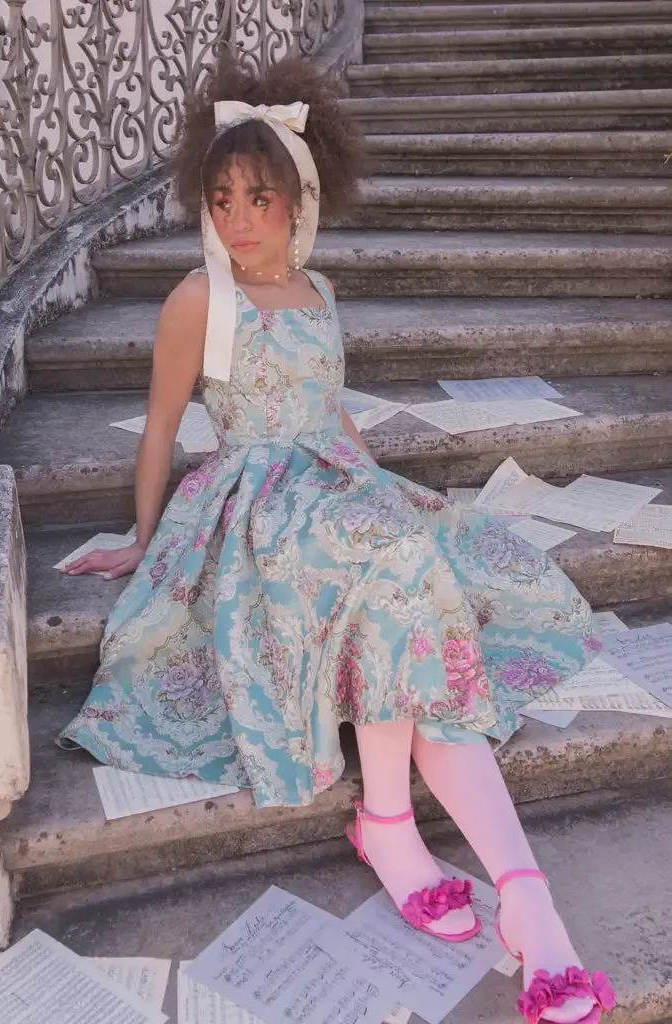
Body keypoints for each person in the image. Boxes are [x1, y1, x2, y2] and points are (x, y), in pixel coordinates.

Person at [58, 56, 614, 1024]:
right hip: (252, 498)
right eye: (222, 199)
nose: (238, 220)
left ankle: (507, 886)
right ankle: (410, 836)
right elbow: (160, 428)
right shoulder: (198, 299)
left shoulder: (317, 290)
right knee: (392, 574)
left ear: (298, 200)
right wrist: (147, 543)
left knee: (410, 559)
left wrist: (375, 487)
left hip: (333, 483)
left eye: (259, 198)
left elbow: (330, 410)